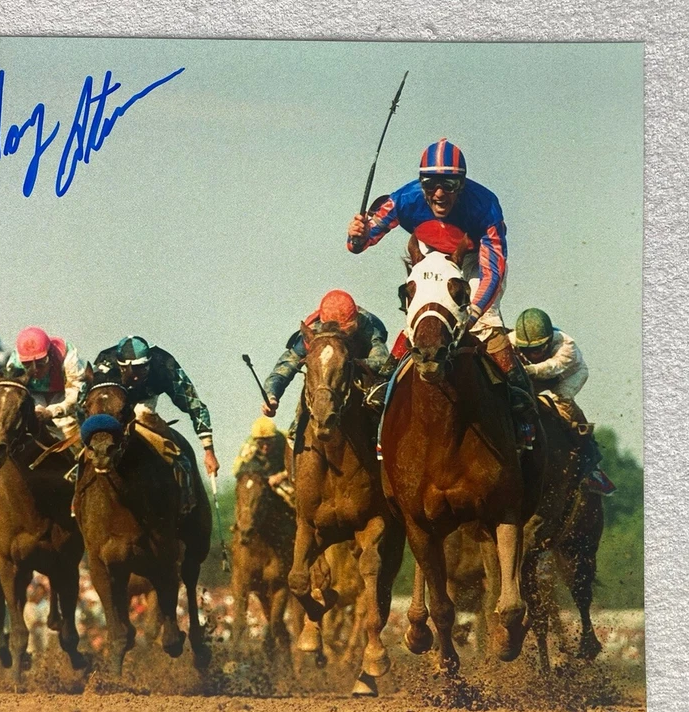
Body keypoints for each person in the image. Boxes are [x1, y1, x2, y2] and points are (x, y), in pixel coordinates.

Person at [346, 139, 536, 434]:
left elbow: (493, 271)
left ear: (462, 183)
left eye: (449, 184)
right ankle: (385, 380)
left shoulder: (485, 205)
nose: (438, 193)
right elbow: (360, 243)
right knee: (424, 314)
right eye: (430, 183)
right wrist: (357, 234)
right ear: (420, 182)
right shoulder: (404, 199)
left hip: (475, 262)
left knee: (482, 323)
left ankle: (518, 392)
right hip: (432, 254)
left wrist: (472, 312)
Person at [92, 336, 219, 510]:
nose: (140, 375)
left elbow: (194, 404)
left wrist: (208, 451)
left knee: (144, 415)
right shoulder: (104, 364)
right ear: (122, 367)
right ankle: (77, 496)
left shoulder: (164, 364)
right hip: (112, 406)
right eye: (136, 370)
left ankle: (185, 500)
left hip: (144, 402)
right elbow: (85, 401)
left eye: (145, 368)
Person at [510, 308, 616, 496]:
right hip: (537, 374)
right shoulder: (512, 339)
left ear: (549, 341)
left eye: (538, 349)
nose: (533, 353)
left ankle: (590, 460)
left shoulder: (567, 346)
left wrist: (529, 370)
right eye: (527, 350)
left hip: (570, 374)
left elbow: (553, 368)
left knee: (561, 400)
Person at [261, 289, 390, 418]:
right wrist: (272, 395)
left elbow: (382, 361)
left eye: (345, 331)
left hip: (361, 375)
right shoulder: (312, 331)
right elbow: (285, 366)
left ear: (355, 323)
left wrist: (353, 363)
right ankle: (295, 430)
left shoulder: (369, 324)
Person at [5, 326, 89, 448]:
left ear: (50, 353)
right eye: (27, 365)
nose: (35, 370)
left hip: (63, 394)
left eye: (41, 363)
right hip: (33, 395)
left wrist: (52, 411)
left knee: (66, 424)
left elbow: (78, 391)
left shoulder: (66, 354)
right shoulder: (14, 362)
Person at [232, 417, 295, 506]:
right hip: (262, 477)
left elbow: (300, 465)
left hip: (286, 476)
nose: (265, 446)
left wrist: (281, 476)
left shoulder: (287, 440)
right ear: (255, 441)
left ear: (275, 438)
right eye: (261, 443)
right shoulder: (249, 446)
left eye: (269, 442)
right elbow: (236, 469)